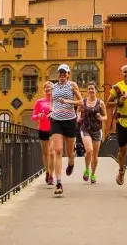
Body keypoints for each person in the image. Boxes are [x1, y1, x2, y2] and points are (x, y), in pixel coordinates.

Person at [63, 82, 107, 184]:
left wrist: (101, 118)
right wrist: (78, 117)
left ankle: (93, 174)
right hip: (85, 128)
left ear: (96, 90)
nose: (91, 90)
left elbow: (106, 117)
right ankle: (87, 169)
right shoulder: (83, 102)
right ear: (87, 91)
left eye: (92, 88)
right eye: (89, 89)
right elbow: (78, 110)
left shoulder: (100, 103)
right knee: (89, 150)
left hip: (97, 130)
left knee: (95, 155)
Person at [50, 64, 82, 195]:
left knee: (69, 152)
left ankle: (71, 162)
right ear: (57, 74)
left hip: (70, 120)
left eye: (65, 73)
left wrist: (68, 102)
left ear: (68, 74)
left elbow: (81, 102)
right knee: (58, 150)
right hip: (56, 120)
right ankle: (59, 183)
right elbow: (52, 102)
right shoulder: (54, 87)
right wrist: (51, 110)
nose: (62, 75)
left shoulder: (72, 85)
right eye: (60, 73)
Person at [32, 82, 55, 185]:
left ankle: (51, 175)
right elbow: (33, 117)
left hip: (54, 129)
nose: (47, 89)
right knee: (45, 153)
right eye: (46, 88)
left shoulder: (56, 101)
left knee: (52, 152)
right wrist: (39, 116)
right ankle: (47, 171)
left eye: (49, 87)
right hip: (43, 129)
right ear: (44, 90)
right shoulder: (39, 102)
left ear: (53, 89)